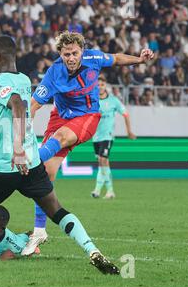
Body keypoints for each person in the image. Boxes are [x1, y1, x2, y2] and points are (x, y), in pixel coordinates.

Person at [0, 35, 119, 274]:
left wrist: (17, 150)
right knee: (57, 211)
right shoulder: (24, 80)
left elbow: (17, 106)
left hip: (4, 167)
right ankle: (92, 250)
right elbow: (15, 107)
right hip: (32, 163)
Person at [22, 31, 154, 256]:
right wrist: (24, 132)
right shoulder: (53, 73)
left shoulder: (94, 58)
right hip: (61, 116)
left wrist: (139, 59)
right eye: (66, 54)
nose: (71, 58)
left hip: (87, 117)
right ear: (60, 54)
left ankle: (24, 162)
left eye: (74, 53)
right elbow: (34, 105)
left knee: (57, 140)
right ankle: (39, 231)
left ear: (82, 51)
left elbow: (117, 58)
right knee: (46, 174)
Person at [91, 74, 136, 199]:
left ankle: (102, 190)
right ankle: (104, 190)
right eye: (98, 85)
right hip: (96, 137)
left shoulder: (113, 100)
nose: (100, 87)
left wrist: (129, 131)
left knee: (103, 160)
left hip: (108, 136)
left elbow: (125, 114)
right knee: (102, 162)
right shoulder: (93, 100)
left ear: (106, 86)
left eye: (102, 85)